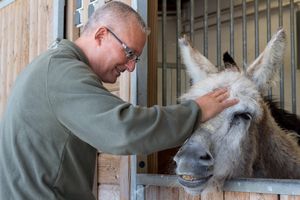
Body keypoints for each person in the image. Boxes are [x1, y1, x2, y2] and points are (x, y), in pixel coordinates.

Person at [0, 1, 238, 200]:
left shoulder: (53, 66)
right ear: (101, 34)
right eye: (129, 53)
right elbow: (123, 129)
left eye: (136, 58)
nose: (131, 66)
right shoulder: (61, 73)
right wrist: (196, 110)